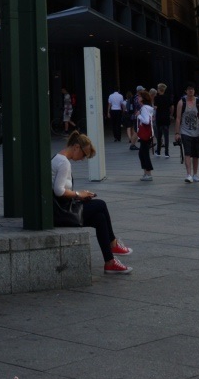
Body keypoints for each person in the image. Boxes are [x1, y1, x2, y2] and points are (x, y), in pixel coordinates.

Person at [51, 131, 133, 273]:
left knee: (99, 218)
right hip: (61, 212)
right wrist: (78, 194)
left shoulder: (58, 158)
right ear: (76, 147)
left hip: (59, 209)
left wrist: (80, 196)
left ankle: (110, 262)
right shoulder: (64, 163)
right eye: (84, 155)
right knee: (101, 204)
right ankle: (113, 244)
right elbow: (59, 191)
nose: (83, 159)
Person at [175, 85, 199, 183]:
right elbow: (178, 118)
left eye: (192, 89)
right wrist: (177, 132)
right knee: (187, 153)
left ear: (194, 91)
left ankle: (195, 174)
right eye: (189, 89)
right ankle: (188, 174)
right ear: (186, 91)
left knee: (196, 155)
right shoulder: (181, 102)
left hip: (196, 132)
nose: (191, 91)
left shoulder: (198, 102)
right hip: (185, 131)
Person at [136, 91, 155, 181]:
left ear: (143, 98)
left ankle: (148, 173)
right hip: (148, 133)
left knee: (144, 153)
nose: (138, 98)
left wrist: (139, 116)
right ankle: (146, 173)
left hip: (145, 134)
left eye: (139, 96)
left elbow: (146, 121)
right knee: (142, 153)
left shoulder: (144, 108)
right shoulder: (148, 108)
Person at [154, 83, 173, 158]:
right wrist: (171, 114)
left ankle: (158, 151)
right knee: (166, 136)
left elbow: (155, 107)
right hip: (166, 117)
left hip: (159, 118)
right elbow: (172, 106)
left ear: (159, 89)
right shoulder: (168, 97)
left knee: (159, 136)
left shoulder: (156, 98)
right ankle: (166, 153)